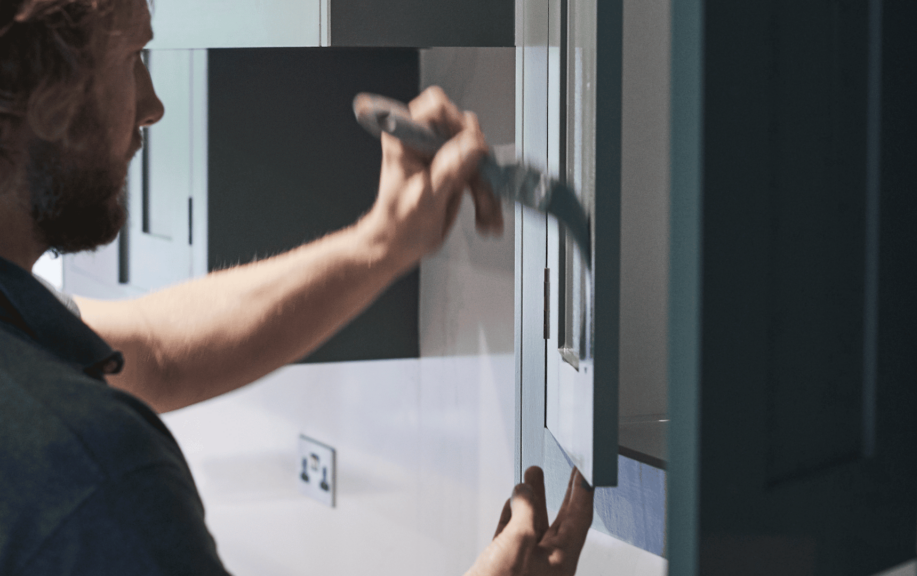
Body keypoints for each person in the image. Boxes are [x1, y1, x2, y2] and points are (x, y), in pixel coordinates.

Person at [0, 0, 593, 574]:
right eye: (133, 58)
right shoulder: (95, 473)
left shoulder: (28, 341)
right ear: (52, 98)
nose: (152, 105)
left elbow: (155, 354)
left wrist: (382, 241)